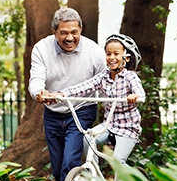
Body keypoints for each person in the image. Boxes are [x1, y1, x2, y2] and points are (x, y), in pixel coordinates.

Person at [28, 7, 107, 181]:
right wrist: (40, 92)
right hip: (53, 112)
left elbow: (106, 82)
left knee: (70, 161)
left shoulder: (94, 51)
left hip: (82, 109)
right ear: (54, 31)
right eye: (63, 33)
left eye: (74, 32)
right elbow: (36, 79)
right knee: (57, 170)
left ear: (80, 28)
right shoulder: (41, 48)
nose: (69, 38)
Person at [51, 33, 145, 166]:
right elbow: (84, 86)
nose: (111, 57)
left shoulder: (130, 77)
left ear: (127, 58)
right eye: (108, 54)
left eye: (116, 54)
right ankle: (94, 177)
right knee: (88, 138)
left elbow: (140, 92)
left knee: (118, 161)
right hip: (109, 125)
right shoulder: (103, 77)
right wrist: (61, 94)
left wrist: (135, 96)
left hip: (127, 128)